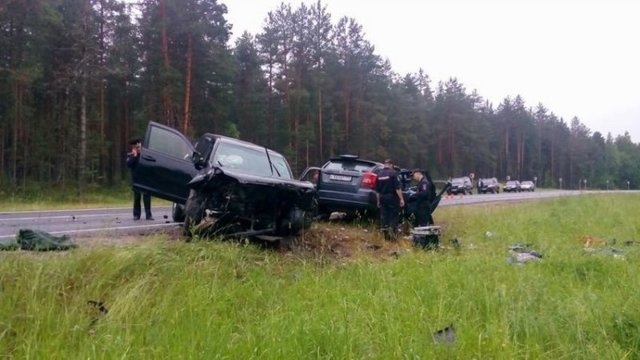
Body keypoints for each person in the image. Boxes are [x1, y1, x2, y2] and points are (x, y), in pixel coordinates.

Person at [375, 159, 405, 240]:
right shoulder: (393, 173)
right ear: (391, 165)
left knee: (384, 216)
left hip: (382, 197)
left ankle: (386, 237)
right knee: (394, 216)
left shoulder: (379, 174)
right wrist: (401, 199)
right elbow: (397, 188)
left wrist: (378, 201)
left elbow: (377, 190)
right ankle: (393, 236)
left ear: (385, 164)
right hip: (392, 198)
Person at [126, 138, 153, 221]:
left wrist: (141, 153)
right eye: (135, 147)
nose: (137, 148)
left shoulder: (144, 154)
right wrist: (134, 155)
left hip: (145, 178)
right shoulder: (131, 155)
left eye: (138, 146)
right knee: (137, 197)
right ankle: (136, 215)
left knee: (147, 196)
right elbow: (129, 164)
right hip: (136, 179)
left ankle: (148, 215)